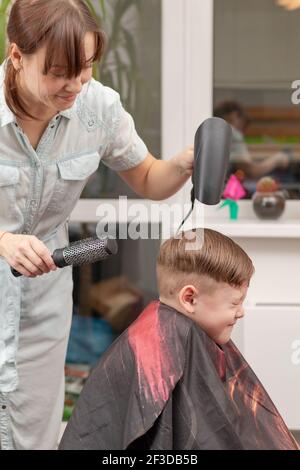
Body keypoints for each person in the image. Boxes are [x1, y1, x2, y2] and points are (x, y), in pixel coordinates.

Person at [0, 0, 194, 450]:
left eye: (85, 67)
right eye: (59, 71)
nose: (74, 84)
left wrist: (184, 163)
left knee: (34, 431)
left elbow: (148, 177)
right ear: (16, 56)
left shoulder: (98, 108)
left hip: (42, 299)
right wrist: (4, 239)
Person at [59, 229, 299, 450]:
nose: (241, 312)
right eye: (234, 303)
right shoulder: (158, 347)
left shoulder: (176, 333)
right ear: (190, 299)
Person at [213, 101, 289, 179]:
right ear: (234, 116)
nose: (242, 132)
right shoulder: (232, 133)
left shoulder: (213, 131)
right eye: (243, 127)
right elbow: (251, 171)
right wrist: (276, 160)